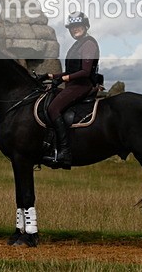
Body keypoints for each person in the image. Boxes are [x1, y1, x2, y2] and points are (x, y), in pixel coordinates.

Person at [42, 12, 100, 169]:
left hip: (82, 85)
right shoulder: (77, 44)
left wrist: (64, 79)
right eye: (72, 27)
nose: (75, 29)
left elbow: (85, 72)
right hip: (73, 85)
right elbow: (71, 71)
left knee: (53, 108)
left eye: (78, 26)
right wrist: (50, 75)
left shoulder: (88, 44)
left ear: (86, 26)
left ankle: (65, 153)